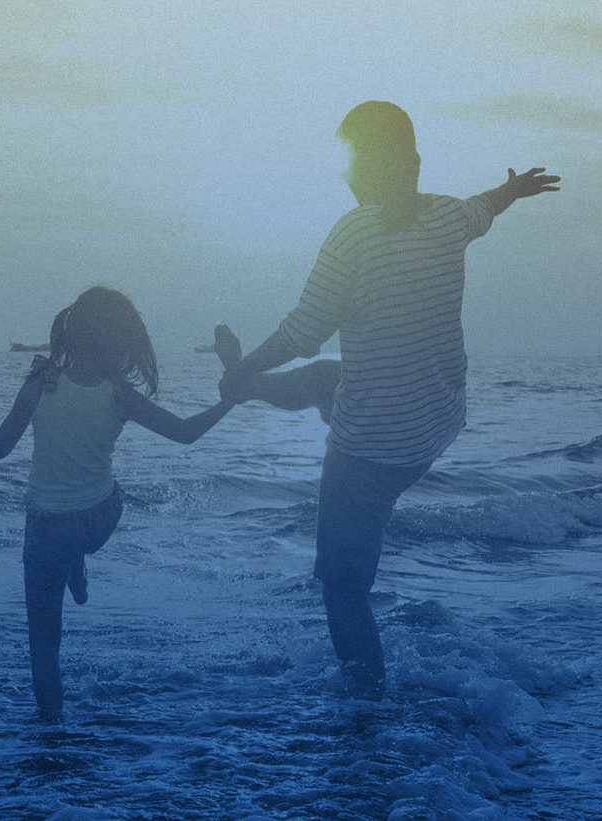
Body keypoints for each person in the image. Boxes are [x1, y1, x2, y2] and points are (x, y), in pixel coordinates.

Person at [222, 101, 560, 692]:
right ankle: (250, 389)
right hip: (434, 422)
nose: (344, 174)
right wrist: (514, 189)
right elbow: (487, 207)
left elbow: (301, 332)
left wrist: (243, 363)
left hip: (370, 449)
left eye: (351, 161)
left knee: (342, 587)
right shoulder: (448, 218)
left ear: (375, 167)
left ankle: (366, 715)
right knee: (327, 379)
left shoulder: (354, 233)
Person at [0, 286, 245, 722]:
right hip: (99, 519)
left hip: (45, 530)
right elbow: (186, 433)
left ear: (73, 333)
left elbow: (1, 447)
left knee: (44, 646)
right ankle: (77, 560)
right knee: (110, 496)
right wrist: (233, 397)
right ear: (121, 343)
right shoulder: (119, 394)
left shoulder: (42, 382)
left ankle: (52, 735)